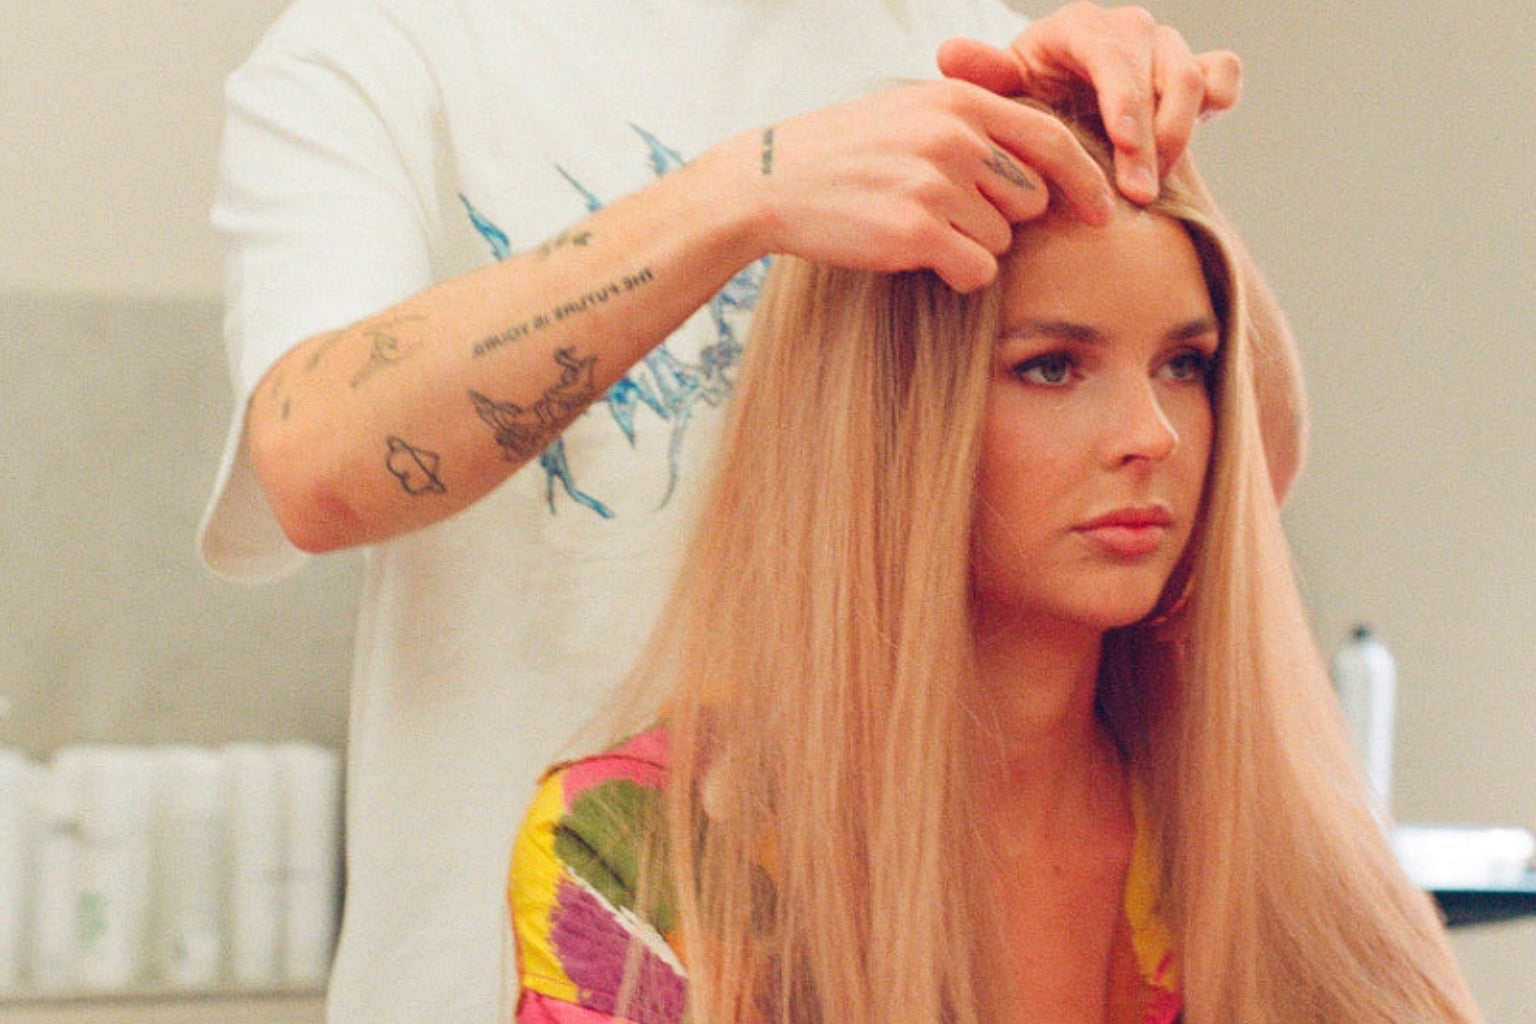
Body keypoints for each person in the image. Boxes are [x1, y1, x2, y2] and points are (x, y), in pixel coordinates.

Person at [196, 1, 1304, 1022]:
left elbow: (1244, 486)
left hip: (947, 934)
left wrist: (1162, 178)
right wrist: (741, 198)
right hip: (546, 935)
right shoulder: (392, 49)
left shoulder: (970, 44)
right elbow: (317, 465)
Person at [508, 102, 1480, 1024]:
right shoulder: (647, 848)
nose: (1152, 435)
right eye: (1053, 367)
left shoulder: (1258, 836)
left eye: (1184, 365)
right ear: (885, 424)